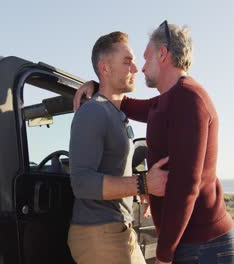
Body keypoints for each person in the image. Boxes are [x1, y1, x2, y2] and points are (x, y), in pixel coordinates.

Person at [73, 22, 234, 264]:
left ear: (163, 54)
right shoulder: (166, 102)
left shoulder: (188, 98)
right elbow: (126, 104)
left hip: (204, 246)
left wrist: (163, 254)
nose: (139, 68)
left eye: (145, 57)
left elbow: (187, 186)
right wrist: (98, 85)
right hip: (191, 243)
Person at [68, 31, 170, 264]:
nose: (136, 68)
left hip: (117, 230)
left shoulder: (116, 113)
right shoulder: (93, 111)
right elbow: (82, 183)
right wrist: (144, 183)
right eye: (127, 61)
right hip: (98, 234)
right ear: (105, 68)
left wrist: (139, 187)